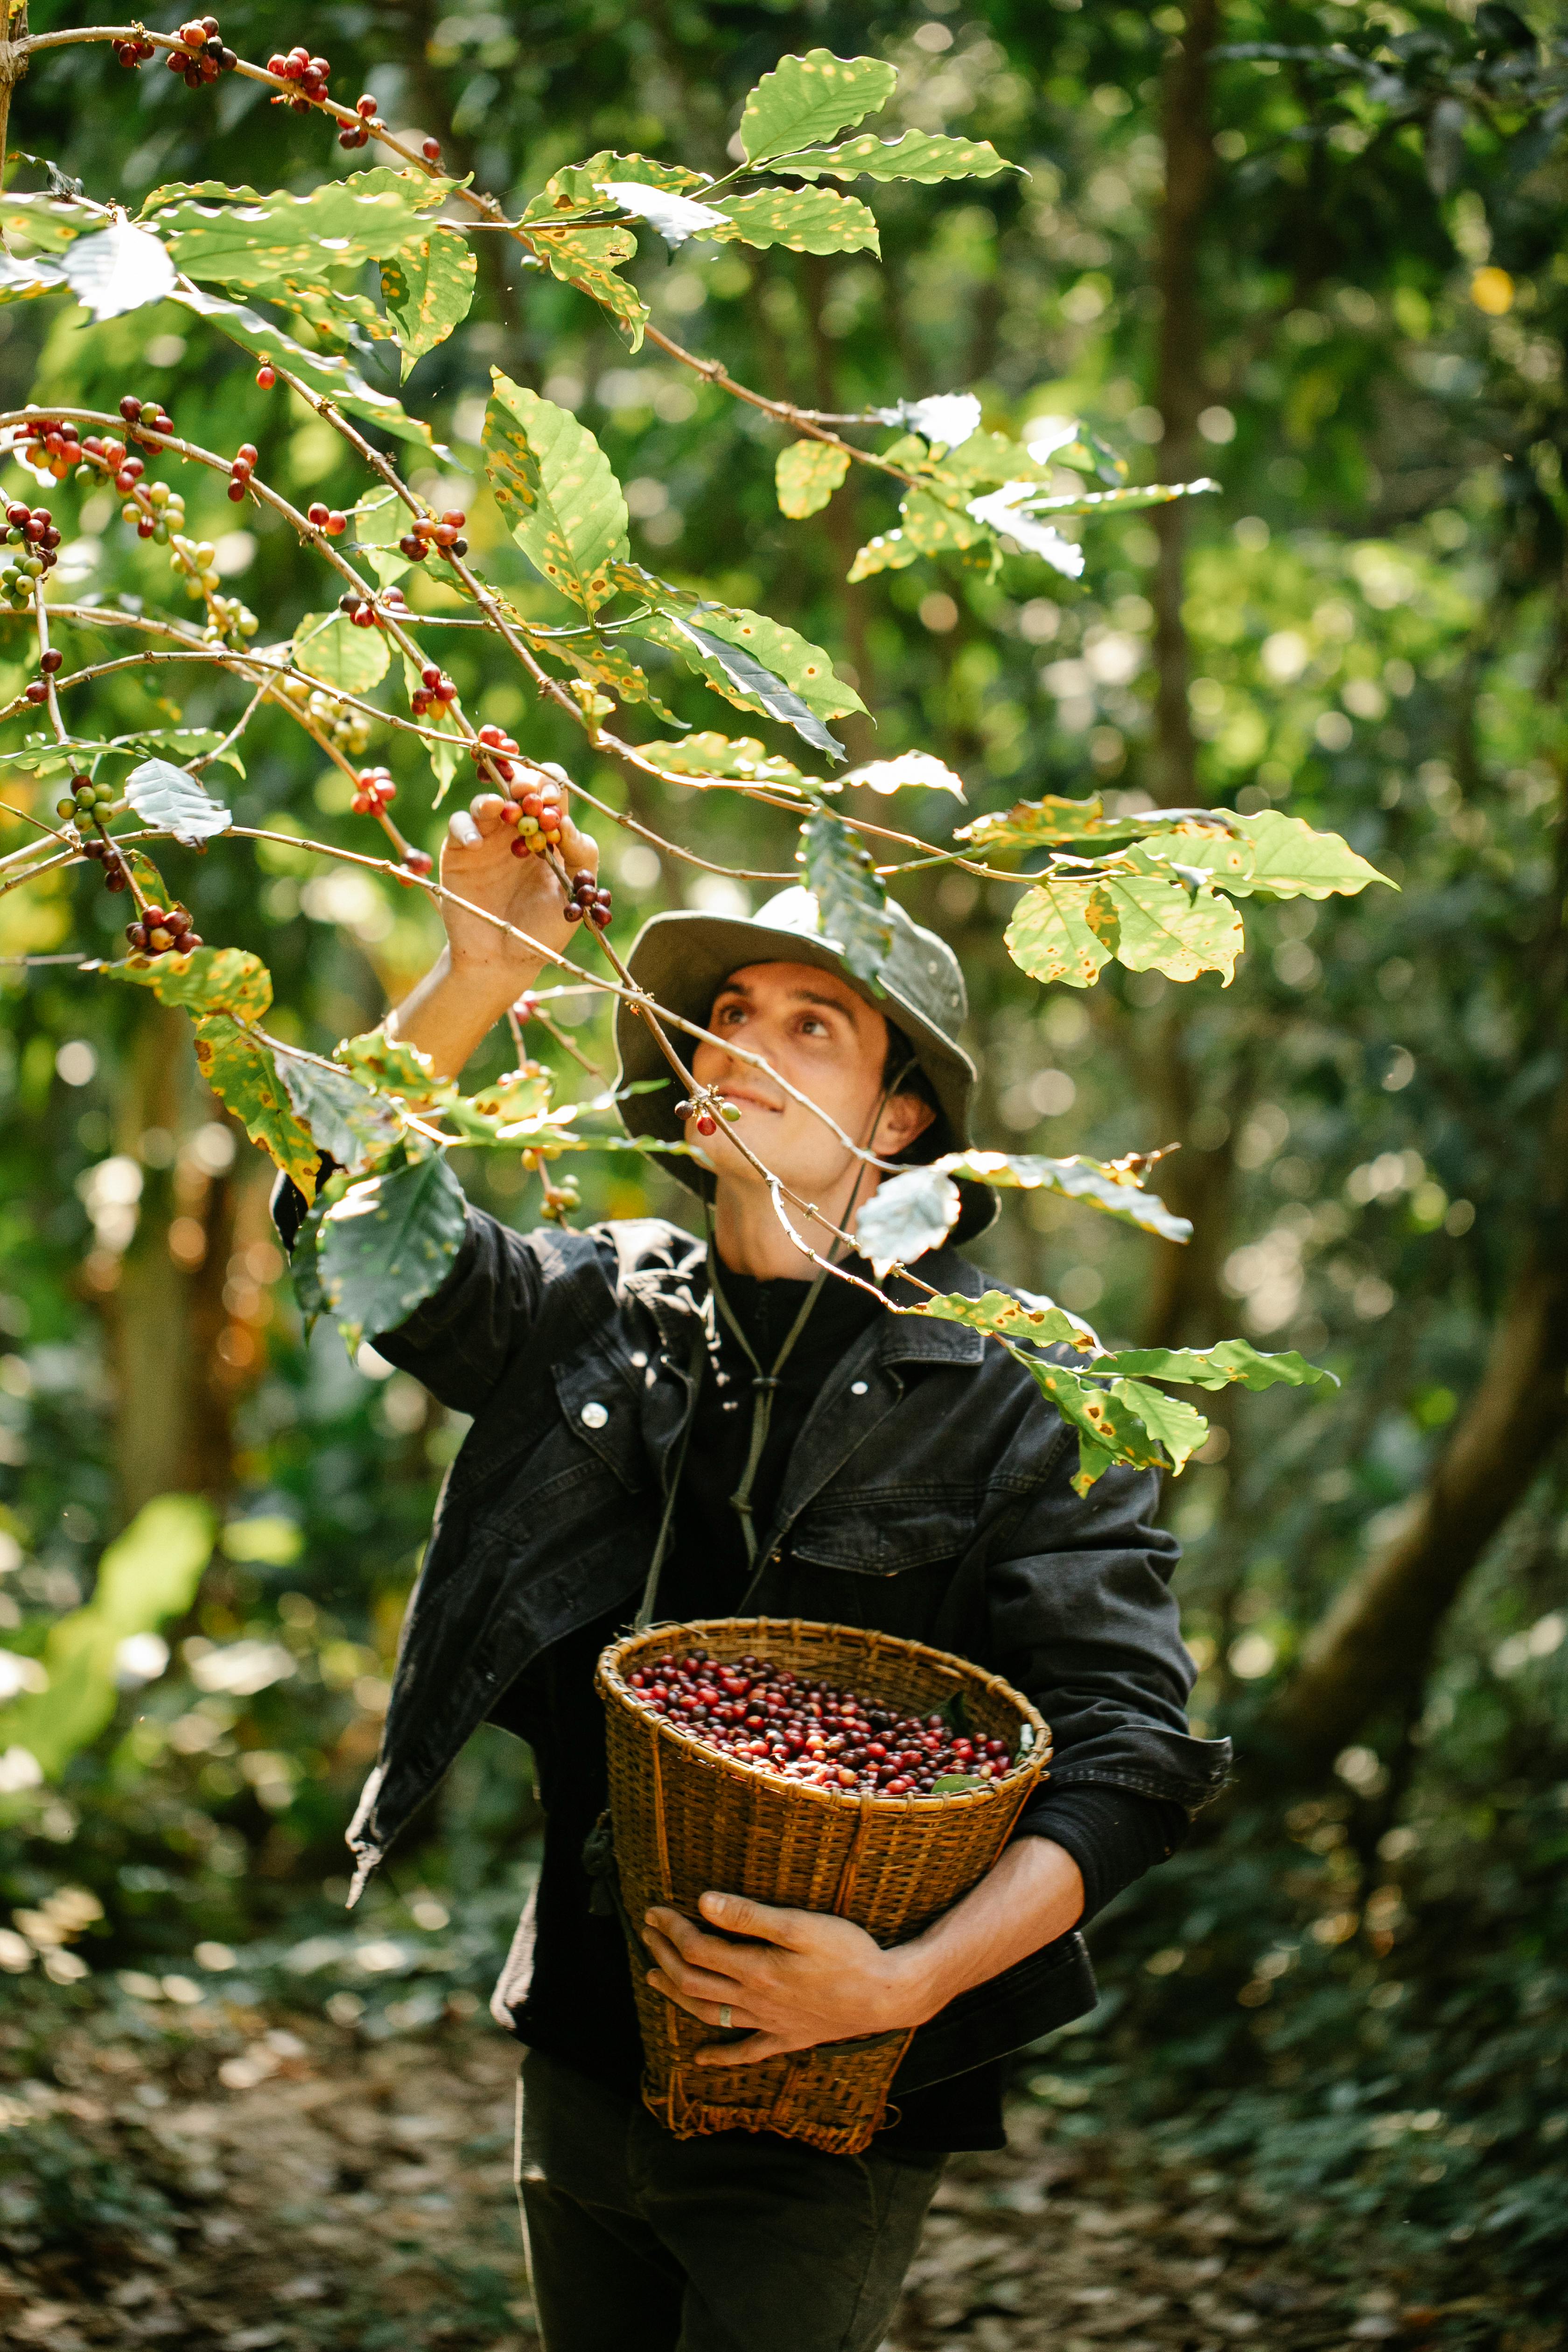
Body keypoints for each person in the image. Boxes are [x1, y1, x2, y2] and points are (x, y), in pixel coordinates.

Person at [280, 775, 1229, 2352]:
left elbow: (1133, 1754)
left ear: (902, 1116)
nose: (742, 1047)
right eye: (731, 1012)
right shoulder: (594, 1311)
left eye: (814, 1027)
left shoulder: (1028, 1391)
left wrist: (904, 1984)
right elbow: (341, 1228)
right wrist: (475, 981)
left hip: (834, 2095)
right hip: (584, 2039)